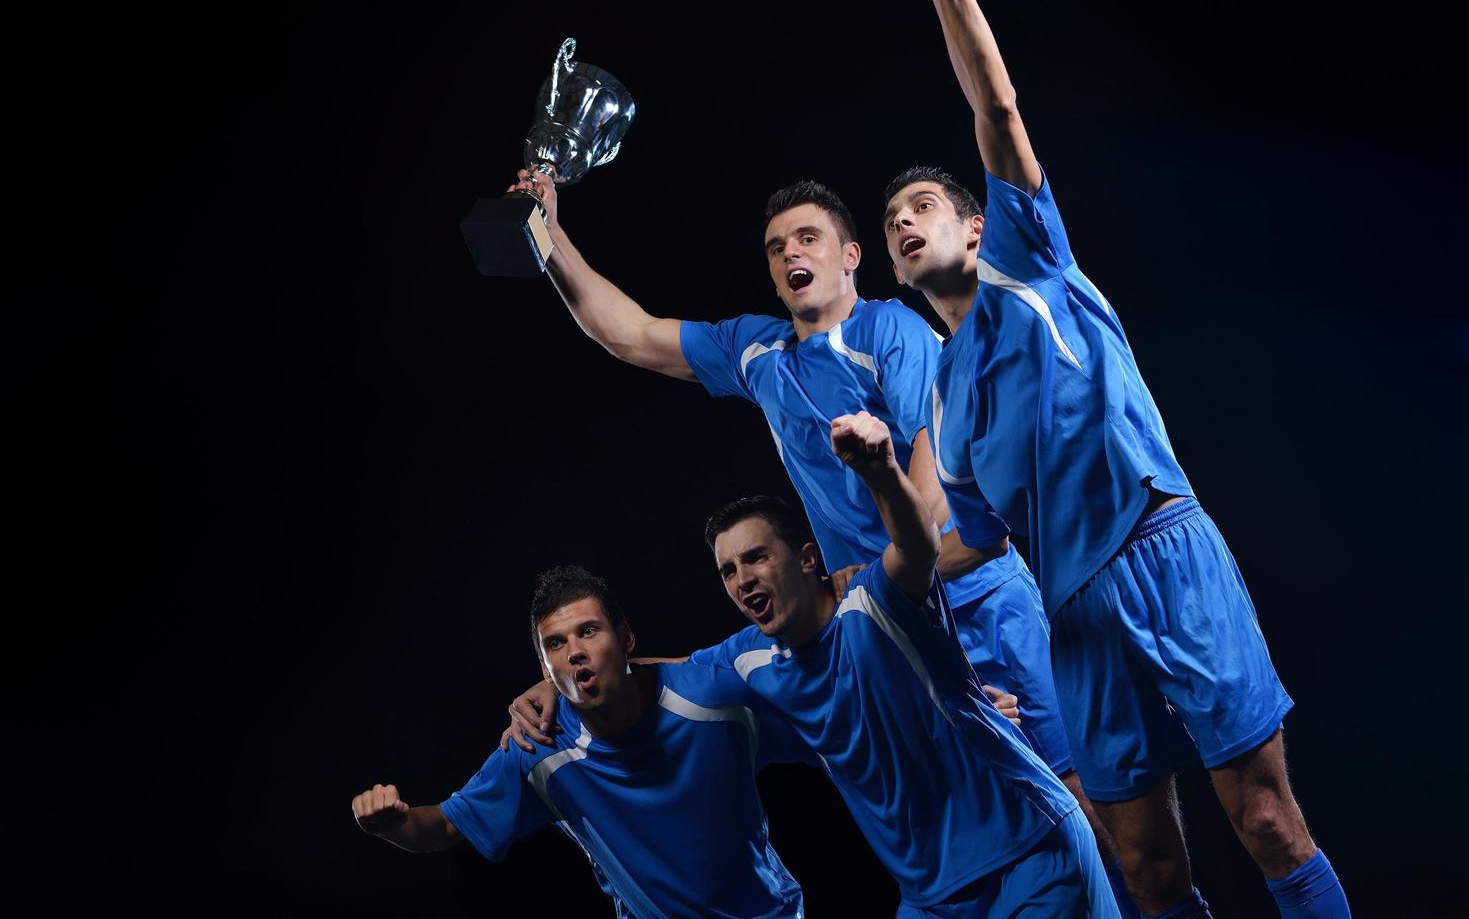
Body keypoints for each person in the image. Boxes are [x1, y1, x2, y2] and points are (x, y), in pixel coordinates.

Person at [880, 0, 1350, 916]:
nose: (902, 223)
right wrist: (888, 564)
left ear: (975, 227)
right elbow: (976, 535)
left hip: (1162, 550)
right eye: (889, 223)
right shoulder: (944, 402)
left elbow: (995, 109)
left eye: (919, 207)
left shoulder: (1027, 259)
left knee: (1262, 818)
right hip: (1076, 617)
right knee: (1142, 869)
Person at [507, 141, 1080, 811]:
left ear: (849, 257)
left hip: (974, 600)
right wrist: (544, 233)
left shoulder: (891, 331)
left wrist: (882, 584)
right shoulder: (760, 352)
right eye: (777, 248)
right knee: (976, 806)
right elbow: (626, 334)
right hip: (889, 625)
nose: (790, 255)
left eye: (808, 238)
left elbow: (930, 498)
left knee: (1074, 798)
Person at [507, 414, 1120, 916]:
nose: (743, 579)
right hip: (933, 898)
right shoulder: (747, 662)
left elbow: (918, 545)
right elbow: (655, 671)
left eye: (755, 559)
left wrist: (881, 473)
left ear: (805, 559)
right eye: (728, 571)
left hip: (1031, 853)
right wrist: (559, 678)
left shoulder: (877, 601)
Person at [349, 565, 809, 918]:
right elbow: (445, 827)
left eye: (588, 631)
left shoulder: (715, 696)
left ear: (625, 638)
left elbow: (806, 668)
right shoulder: (539, 747)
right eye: (554, 644)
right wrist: (392, 821)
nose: (574, 651)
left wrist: (838, 586)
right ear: (544, 669)